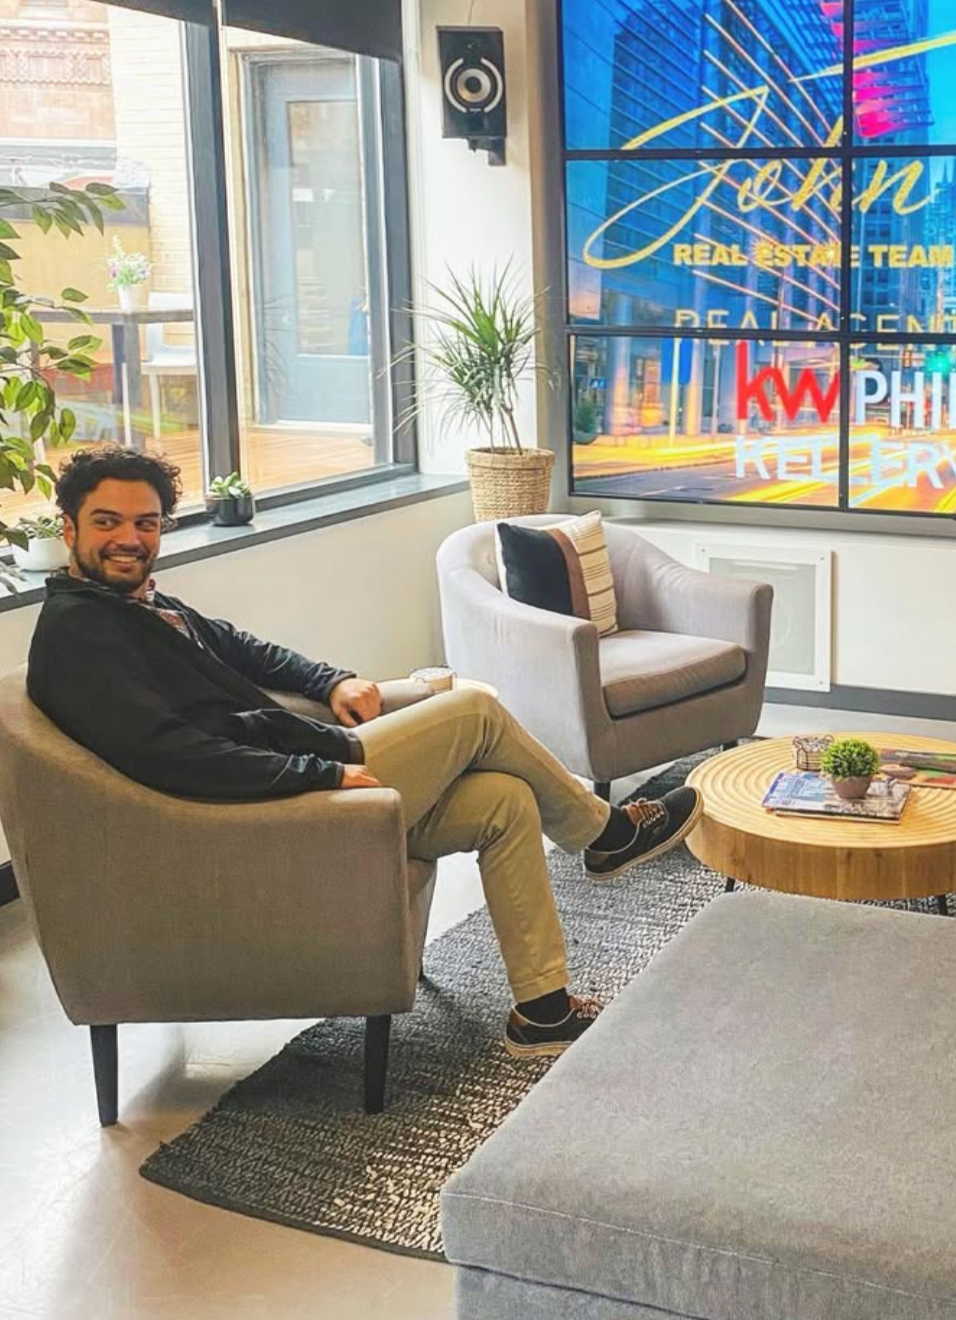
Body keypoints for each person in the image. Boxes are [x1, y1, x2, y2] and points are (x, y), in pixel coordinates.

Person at [26, 446, 701, 1060]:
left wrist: (331, 680)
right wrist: (317, 771)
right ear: (71, 529)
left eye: (144, 523)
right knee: (473, 708)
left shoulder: (141, 605)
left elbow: (243, 647)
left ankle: (543, 1010)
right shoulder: (81, 633)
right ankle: (603, 831)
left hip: (291, 782)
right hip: (265, 815)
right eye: (108, 521)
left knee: (504, 799)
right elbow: (172, 755)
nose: (129, 538)